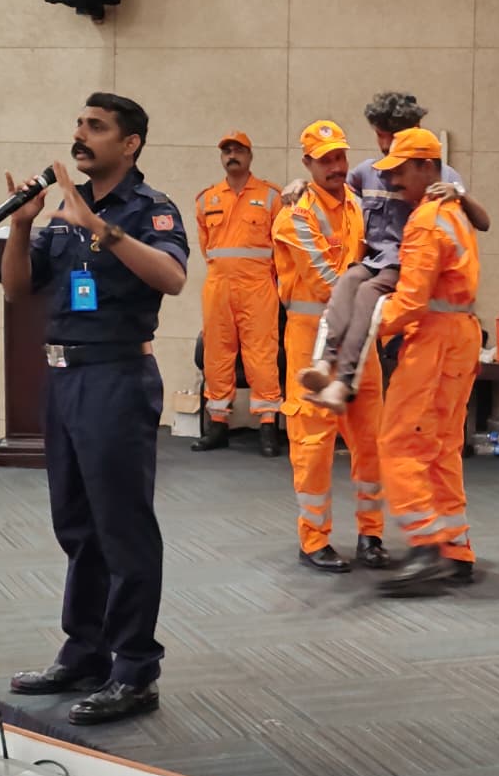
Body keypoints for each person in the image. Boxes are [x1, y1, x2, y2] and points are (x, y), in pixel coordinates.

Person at [0, 93, 188, 725]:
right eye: (79, 124)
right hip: (63, 380)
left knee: (123, 529)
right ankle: (85, 652)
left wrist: (101, 229)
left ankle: (134, 670)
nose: (80, 135)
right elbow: (17, 289)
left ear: (129, 143)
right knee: (77, 526)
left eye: (97, 127)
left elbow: (172, 278)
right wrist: (23, 225)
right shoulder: (61, 211)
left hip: (117, 377)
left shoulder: (150, 208)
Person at [287, 91, 490, 413]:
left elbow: (483, 222)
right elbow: (335, 189)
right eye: (379, 135)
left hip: (407, 267)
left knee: (366, 296)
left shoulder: (438, 174)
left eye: (392, 136)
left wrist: (459, 194)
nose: (385, 145)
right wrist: (302, 185)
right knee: (348, 282)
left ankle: (344, 382)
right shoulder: (368, 171)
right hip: (374, 260)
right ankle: (324, 364)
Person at [271, 120, 390, 574]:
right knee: (314, 444)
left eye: (340, 156)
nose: (336, 166)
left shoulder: (358, 205)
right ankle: (314, 539)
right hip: (311, 341)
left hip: (360, 339)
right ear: (308, 163)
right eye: (325, 160)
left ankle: (371, 535)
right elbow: (328, 282)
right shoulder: (295, 215)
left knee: (371, 440)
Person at [367, 128, 482, 593]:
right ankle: (455, 547)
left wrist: (370, 325)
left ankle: (425, 545)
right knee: (442, 447)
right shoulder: (453, 213)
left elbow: (411, 301)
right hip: (461, 336)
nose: (393, 180)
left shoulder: (426, 220)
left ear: (428, 167)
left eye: (401, 170)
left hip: (433, 341)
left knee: (398, 442)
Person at [192, 131, 284, 457]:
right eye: (227, 151)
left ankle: (268, 426)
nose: (232, 155)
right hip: (218, 286)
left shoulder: (272, 197)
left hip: (258, 286)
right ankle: (217, 425)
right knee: (217, 355)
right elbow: (207, 247)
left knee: (262, 355)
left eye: (239, 150)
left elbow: (282, 248)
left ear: (250, 155)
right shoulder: (206, 199)